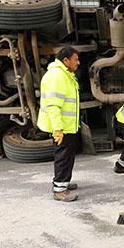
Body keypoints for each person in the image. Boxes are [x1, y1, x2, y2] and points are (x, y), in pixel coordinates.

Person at [37, 46, 81, 202]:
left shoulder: (65, 74)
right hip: (61, 127)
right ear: (66, 60)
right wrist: (58, 129)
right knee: (63, 156)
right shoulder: (57, 76)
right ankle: (59, 190)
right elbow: (53, 106)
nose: (78, 62)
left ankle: (63, 183)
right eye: (75, 59)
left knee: (68, 155)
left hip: (68, 126)